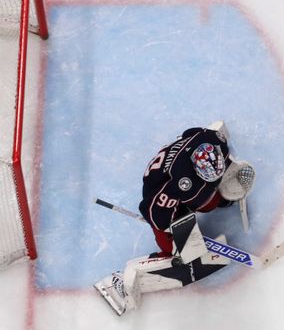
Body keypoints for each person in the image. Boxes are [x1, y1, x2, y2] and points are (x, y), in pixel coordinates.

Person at [94, 122, 255, 316]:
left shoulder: (211, 139)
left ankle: (214, 199)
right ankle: (166, 255)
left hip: (181, 168)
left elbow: (191, 133)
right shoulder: (179, 184)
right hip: (157, 191)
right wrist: (174, 229)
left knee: (209, 200)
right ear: (196, 168)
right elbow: (153, 213)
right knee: (169, 241)